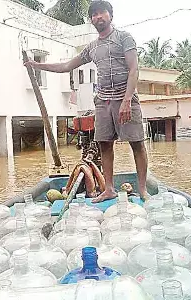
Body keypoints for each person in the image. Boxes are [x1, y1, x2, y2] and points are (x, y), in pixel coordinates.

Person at [24, 0, 149, 202]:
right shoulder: (92, 47)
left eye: (102, 13)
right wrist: (38, 66)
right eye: (94, 15)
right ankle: (109, 189)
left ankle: (143, 189)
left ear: (110, 15)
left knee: (137, 143)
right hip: (103, 102)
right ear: (91, 20)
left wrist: (127, 100)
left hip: (125, 99)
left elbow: (134, 69)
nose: (98, 17)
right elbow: (66, 66)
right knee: (105, 144)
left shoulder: (124, 37)